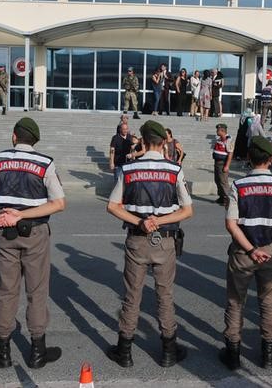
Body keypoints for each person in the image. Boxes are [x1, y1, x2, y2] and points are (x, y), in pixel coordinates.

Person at [0, 117, 66, 369]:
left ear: (14, 136)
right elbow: (59, 203)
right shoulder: (45, 163)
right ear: (36, 141)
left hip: (5, 231)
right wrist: (24, 214)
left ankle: (3, 349)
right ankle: (37, 351)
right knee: (37, 290)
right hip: (36, 232)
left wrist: (0, 212)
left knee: (6, 290)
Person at [105, 120, 193, 368]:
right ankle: (168, 351)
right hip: (165, 241)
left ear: (142, 142)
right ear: (164, 142)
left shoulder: (128, 169)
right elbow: (187, 211)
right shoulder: (175, 170)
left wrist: (141, 222)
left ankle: (124, 352)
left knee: (132, 296)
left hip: (137, 239)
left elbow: (112, 206)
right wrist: (160, 220)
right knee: (165, 296)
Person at [219, 136, 272, 370]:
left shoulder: (239, 186)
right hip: (271, 251)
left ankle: (233, 355)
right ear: (271, 159)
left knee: (236, 302)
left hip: (243, 251)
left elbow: (231, 223)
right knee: (269, 302)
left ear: (248, 158)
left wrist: (250, 249)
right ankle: (269, 354)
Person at [213, 123, 234, 206]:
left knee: (223, 182)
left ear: (222, 130)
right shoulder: (219, 139)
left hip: (223, 163)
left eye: (217, 130)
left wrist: (227, 166)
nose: (216, 131)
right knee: (217, 180)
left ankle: (228, 199)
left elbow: (230, 153)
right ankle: (221, 197)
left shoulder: (228, 139)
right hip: (217, 162)